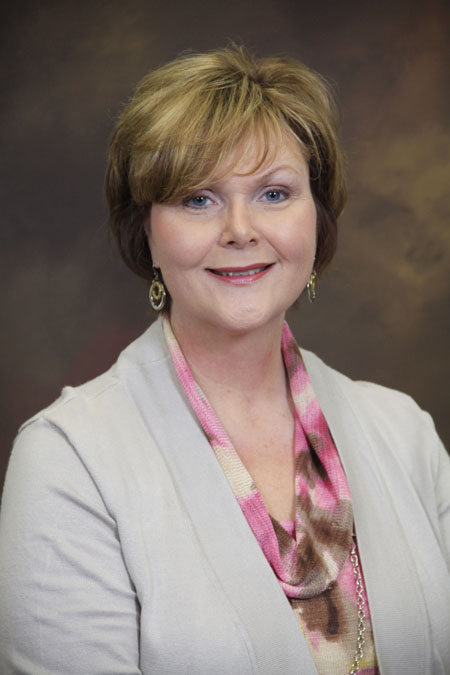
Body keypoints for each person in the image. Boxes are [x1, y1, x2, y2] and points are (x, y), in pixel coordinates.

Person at [0, 45, 449, 675]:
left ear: (317, 221)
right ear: (147, 231)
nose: (240, 229)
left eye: (274, 193)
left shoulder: (404, 434)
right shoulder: (69, 461)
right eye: (198, 199)